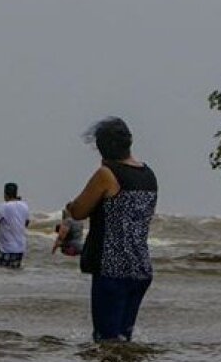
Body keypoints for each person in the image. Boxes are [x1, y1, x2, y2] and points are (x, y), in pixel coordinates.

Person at [66, 117, 158, 342]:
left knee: (105, 339)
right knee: (123, 337)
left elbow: (78, 211)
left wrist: (69, 206)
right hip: (140, 267)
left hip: (111, 267)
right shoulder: (148, 175)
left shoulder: (107, 174)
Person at [0, 183, 30, 268]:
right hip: (20, 248)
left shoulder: (3, 207)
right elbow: (26, 222)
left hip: (5, 248)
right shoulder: (24, 206)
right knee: (14, 272)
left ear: (5, 194)